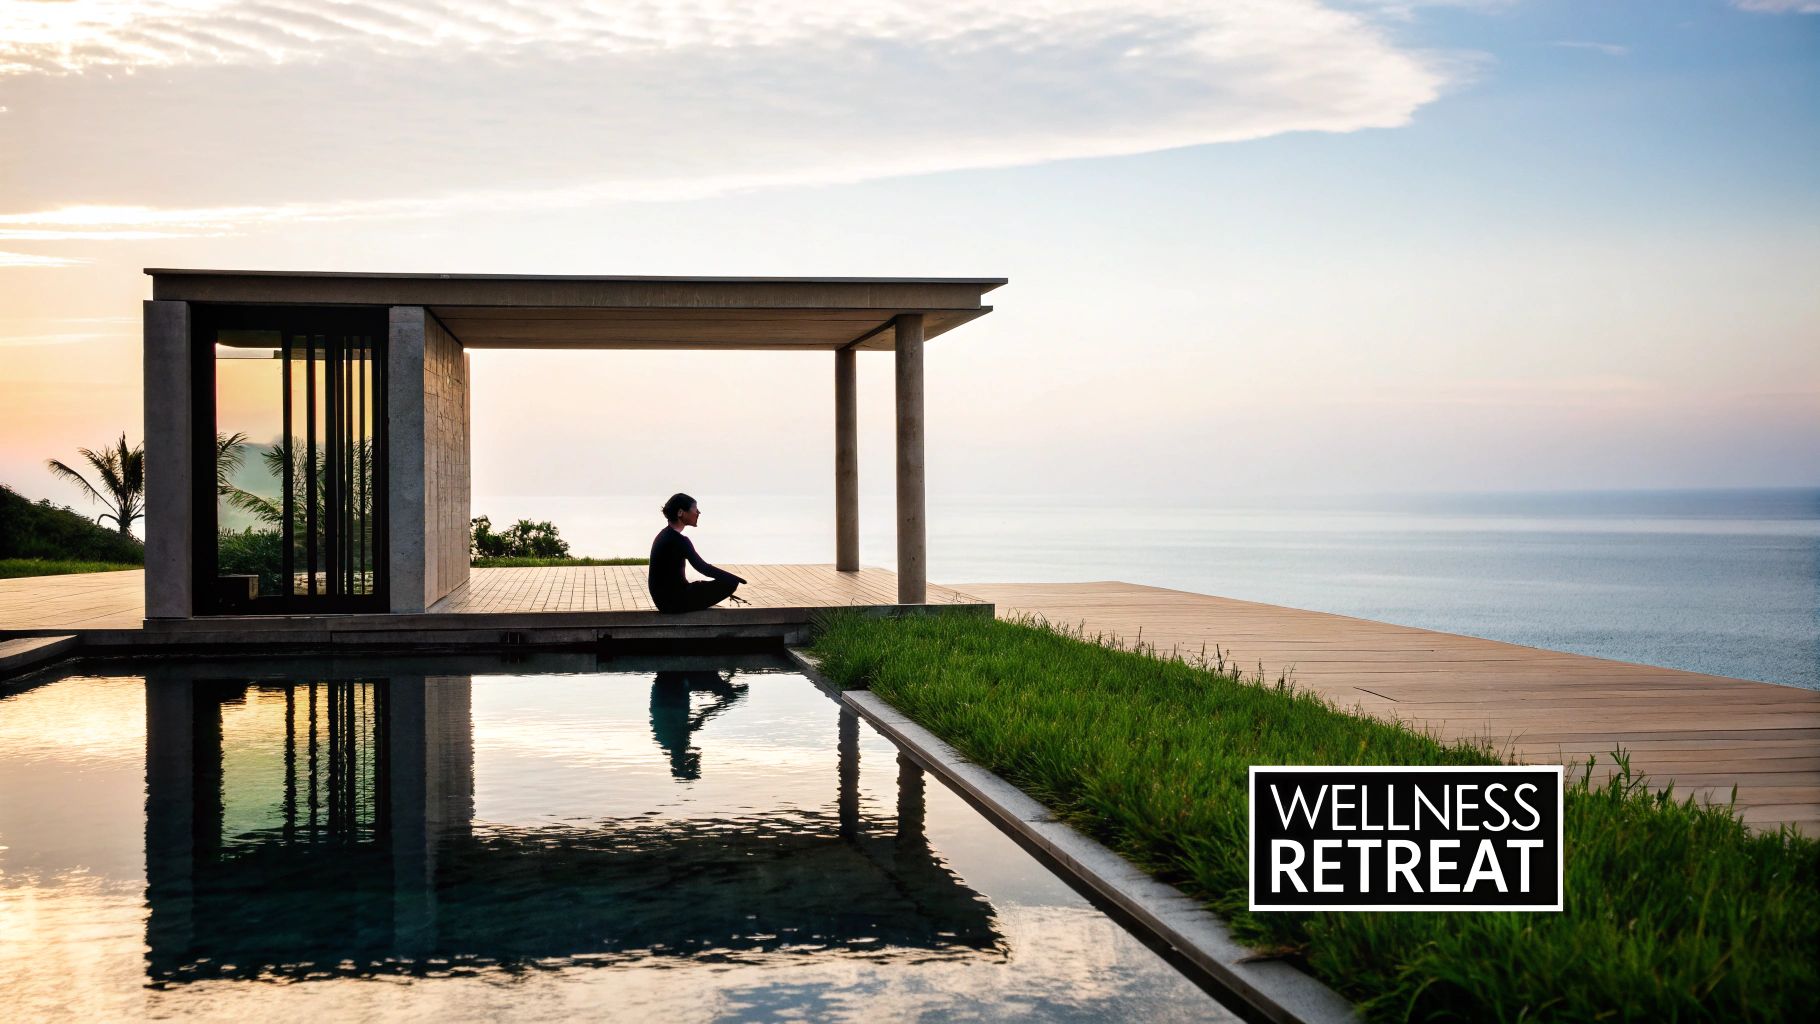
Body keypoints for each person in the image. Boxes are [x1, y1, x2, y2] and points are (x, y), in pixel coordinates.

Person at [647, 492, 748, 613]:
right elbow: (703, 568)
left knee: (704, 586)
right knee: (729, 584)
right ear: (680, 513)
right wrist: (732, 578)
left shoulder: (664, 535)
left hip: (664, 601)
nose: (698, 513)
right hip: (673, 602)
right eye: (695, 509)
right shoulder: (679, 540)